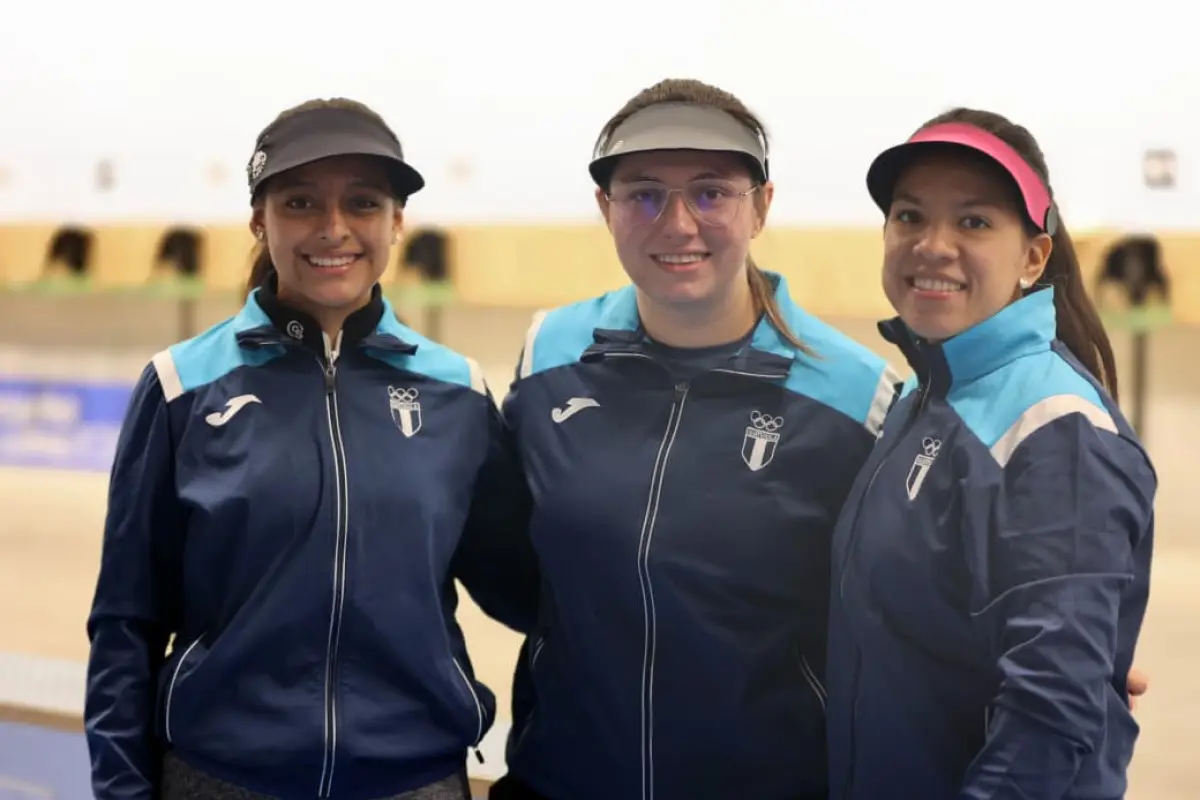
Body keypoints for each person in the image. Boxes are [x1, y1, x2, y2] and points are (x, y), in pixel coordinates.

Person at [84, 98, 536, 800]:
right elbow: (126, 622)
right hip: (221, 778)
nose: (334, 230)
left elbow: (533, 596)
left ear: (396, 223)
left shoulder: (458, 393)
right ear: (260, 220)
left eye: (362, 203)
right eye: (300, 203)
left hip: (414, 780)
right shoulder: (181, 388)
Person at [488, 78, 902, 800]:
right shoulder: (549, 355)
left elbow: (909, 601)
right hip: (561, 781)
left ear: (762, 205)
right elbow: (507, 557)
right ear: (605, 209)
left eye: (711, 193)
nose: (677, 224)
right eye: (643, 194)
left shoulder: (856, 395)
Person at [825, 108, 1157, 799]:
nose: (933, 245)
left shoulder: (1054, 429)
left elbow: (1050, 711)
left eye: (973, 222)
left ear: (1033, 257)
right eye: (910, 217)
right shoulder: (929, 396)